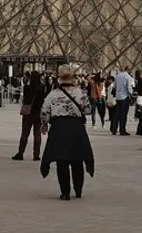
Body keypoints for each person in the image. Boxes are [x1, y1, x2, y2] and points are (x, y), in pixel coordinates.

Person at [40, 65, 94, 201]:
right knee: (77, 160)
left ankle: (65, 193)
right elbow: (88, 110)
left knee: (62, 161)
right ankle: (78, 190)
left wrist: (44, 123)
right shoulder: (80, 93)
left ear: (59, 78)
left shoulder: (52, 94)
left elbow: (44, 112)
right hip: (76, 128)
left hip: (59, 128)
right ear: (73, 78)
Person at [13, 71, 46, 160]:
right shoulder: (42, 88)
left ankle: (20, 153)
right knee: (37, 135)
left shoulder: (27, 88)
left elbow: (25, 100)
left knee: (24, 134)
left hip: (28, 113)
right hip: (38, 113)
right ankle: (36, 155)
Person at [111, 67, 133, 136]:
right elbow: (129, 88)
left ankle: (114, 129)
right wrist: (131, 94)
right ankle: (122, 130)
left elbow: (114, 86)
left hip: (118, 97)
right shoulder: (128, 77)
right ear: (128, 70)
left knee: (117, 114)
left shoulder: (118, 76)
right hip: (125, 97)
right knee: (123, 115)